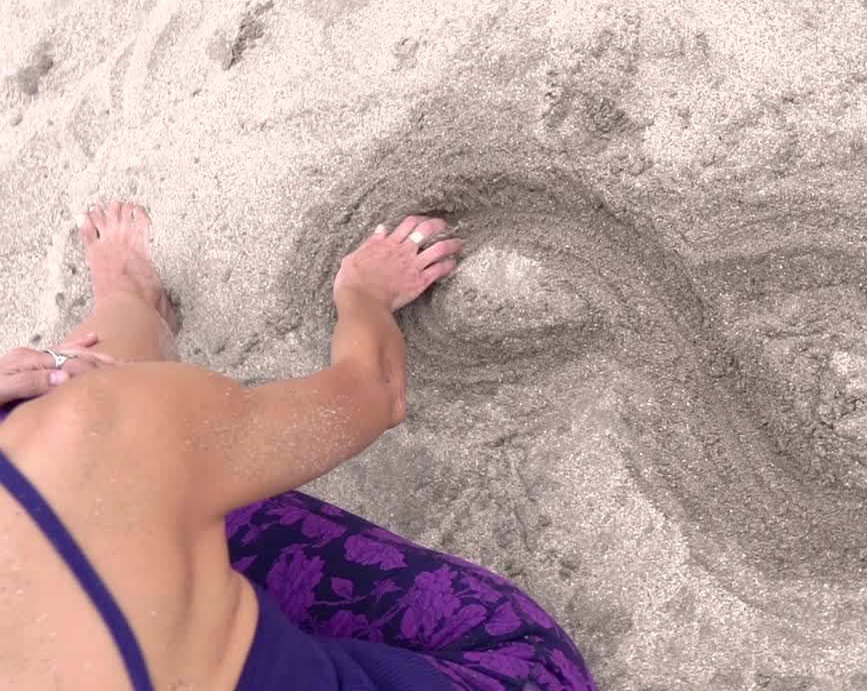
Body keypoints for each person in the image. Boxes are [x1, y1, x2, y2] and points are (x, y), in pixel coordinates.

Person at [0, 201, 598, 691]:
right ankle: (130, 306)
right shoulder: (89, 431)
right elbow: (373, 394)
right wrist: (363, 298)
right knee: (107, 428)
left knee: (109, 447)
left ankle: (129, 306)